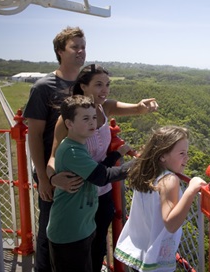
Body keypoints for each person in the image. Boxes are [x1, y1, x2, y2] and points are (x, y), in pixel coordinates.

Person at [47, 63, 159, 272]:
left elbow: (137, 109)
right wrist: (53, 179)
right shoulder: (68, 120)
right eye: (98, 85)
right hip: (78, 194)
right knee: (75, 253)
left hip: (101, 193)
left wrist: (143, 107)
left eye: (107, 85)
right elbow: (54, 156)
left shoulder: (104, 107)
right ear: (83, 86)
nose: (105, 90)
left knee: (96, 249)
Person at [23, 26, 86, 272]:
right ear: (60, 51)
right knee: (49, 232)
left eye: (83, 46)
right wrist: (43, 178)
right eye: (75, 46)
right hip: (53, 173)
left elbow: (107, 105)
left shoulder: (84, 84)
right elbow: (35, 134)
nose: (81, 51)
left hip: (79, 170)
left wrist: (137, 107)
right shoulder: (43, 87)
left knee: (78, 232)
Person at [48, 95, 135, 272]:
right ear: (69, 124)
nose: (92, 123)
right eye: (85, 118)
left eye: (94, 117)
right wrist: (142, 163)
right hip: (69, 233)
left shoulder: (78, 146)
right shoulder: (72, 151)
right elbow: (101, 176)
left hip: (81, 227)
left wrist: (116, 155)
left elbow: (95, 170)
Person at [114, 126, 207, 271]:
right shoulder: (169, 180)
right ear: (162, 156)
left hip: (139, 250)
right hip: (154, 258)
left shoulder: (146, 173)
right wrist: (191, 190)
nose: (187, 158)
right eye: (182, 153)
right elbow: (170, 224)